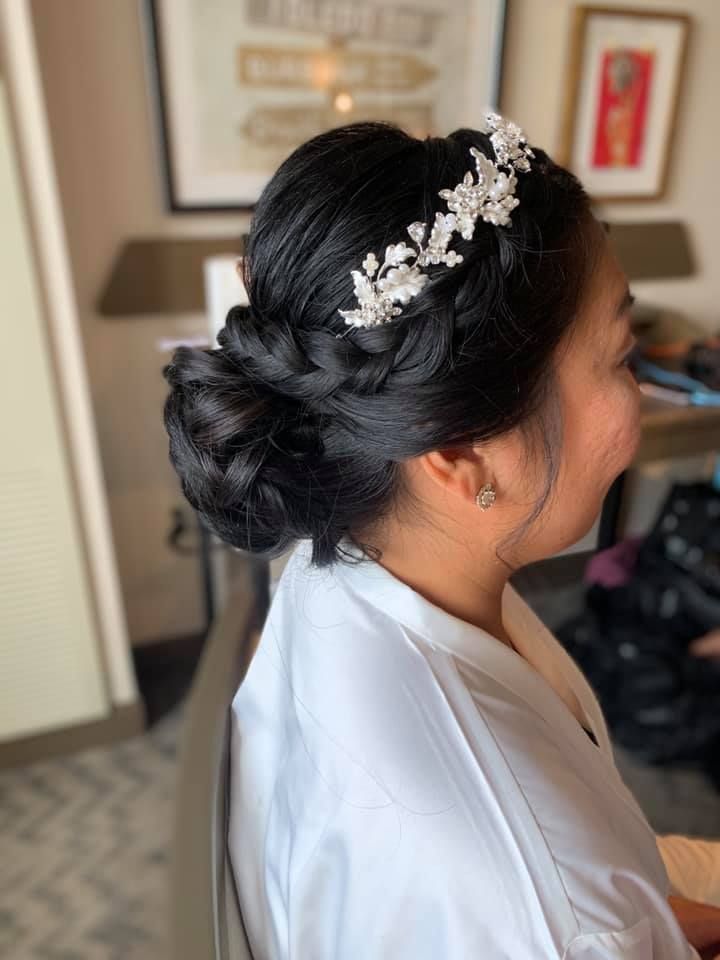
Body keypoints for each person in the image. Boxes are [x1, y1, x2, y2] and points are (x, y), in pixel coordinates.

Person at [162, 114, 720, 958]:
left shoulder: (340, 566)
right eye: (617, 357)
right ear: (460, 452)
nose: (639, 396)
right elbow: (567, 909)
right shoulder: (558, 917)